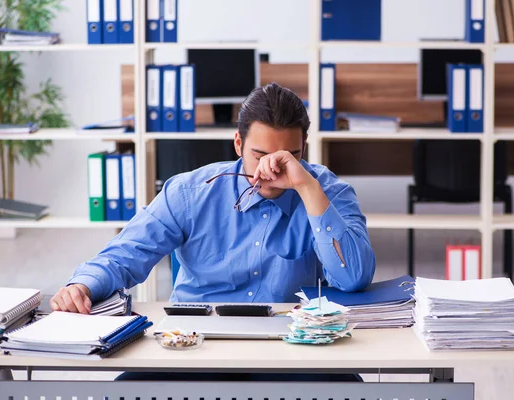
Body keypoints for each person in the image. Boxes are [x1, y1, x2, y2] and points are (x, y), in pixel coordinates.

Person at [50, 82, 376, 381]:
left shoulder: (328, 193)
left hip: (292, 348)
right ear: (238, 143)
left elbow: (354, 279)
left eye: (288, 157)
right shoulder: (190, 192)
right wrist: (83, 285)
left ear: (304, 148)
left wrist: (306, 187)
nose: (272, 169)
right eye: (260, 155)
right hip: (196, 346)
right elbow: (124, 255)